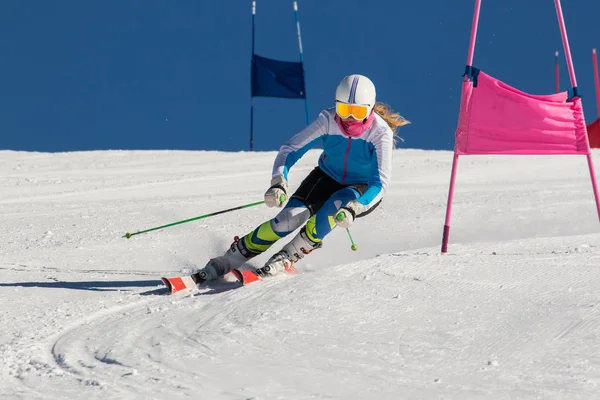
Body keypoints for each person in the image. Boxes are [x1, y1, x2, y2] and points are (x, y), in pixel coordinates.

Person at [196, 74, 410, 282]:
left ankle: (286, 258)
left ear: (370, 109)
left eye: (357, 112)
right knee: (288, 219)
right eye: (344, 110)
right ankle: (232, 257)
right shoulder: (328, 120)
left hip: (359, 189)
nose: (349, 118)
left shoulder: (380, 132)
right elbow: (291, 149)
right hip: (326, 177)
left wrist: (356, 207)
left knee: (330, 212)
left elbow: (379, 183)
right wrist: (278, 182)